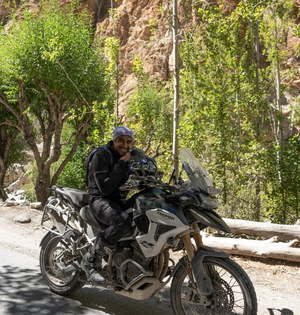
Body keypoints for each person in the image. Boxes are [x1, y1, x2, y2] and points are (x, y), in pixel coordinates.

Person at [82, 126, 134, 284]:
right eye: (121, 140)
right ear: (114, 140)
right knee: (121, 221)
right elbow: (105, 187)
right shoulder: (101, 155)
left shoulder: (127, 155)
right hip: (99, 199)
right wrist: (122, 163)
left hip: (117, 201)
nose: (125, 145)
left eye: (128, 142)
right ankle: (91, 259)